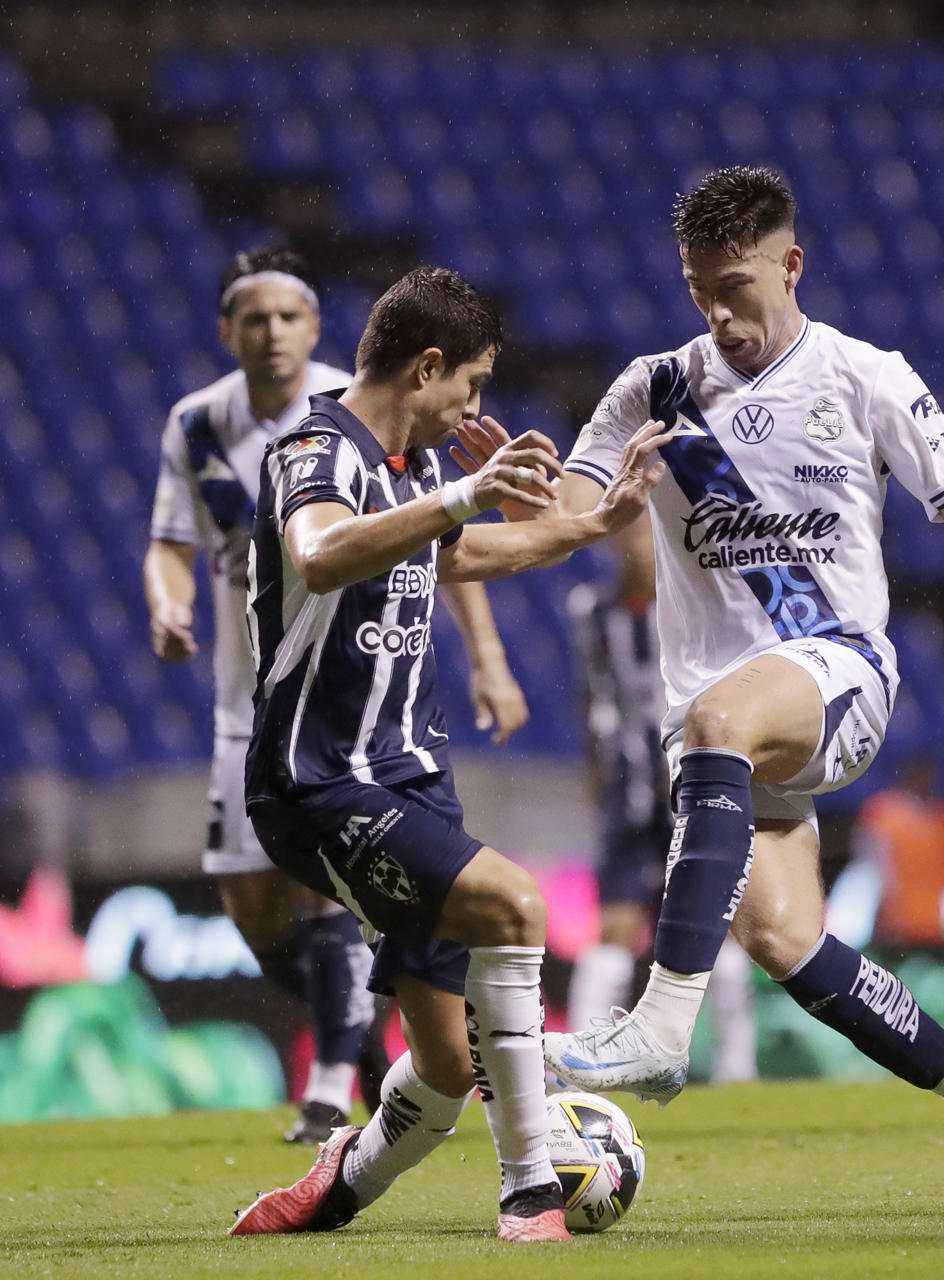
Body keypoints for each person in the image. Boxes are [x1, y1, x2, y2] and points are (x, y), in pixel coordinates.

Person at [519, 166, 944, 1217]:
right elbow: (560, 524)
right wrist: (466, 516)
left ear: (791, 264)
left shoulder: (867, 377)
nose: (719, 314)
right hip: (725, 729)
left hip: (839, 673)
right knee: (784, 940)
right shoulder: (652, 390)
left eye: (737, 285)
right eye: (699, 290)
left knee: (719, 718)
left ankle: (663, 1025)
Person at [226, 266, 667, 1242]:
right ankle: (530, 1191)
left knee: (442, 1066)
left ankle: (335, 1186)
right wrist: (468, 489)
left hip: (410, 776)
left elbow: (460, 553)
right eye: (468, 384)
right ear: (426, 366)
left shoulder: (419, 467)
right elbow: (319, 552)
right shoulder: (317, 446)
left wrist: (578, 525)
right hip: (320, 779)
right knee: (515, 903)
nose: (474, 407)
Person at [143, 246, 531, 1143]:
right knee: (254, 906)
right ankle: (367, 1059)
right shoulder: (199, 424)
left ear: (316, 328)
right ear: (227, 332)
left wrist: (490, 657)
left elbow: (444, 542)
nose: (273, 333)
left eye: (289, 316)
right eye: (255, 318)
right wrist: (167, 605)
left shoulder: (376, 406)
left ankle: (330, 1087)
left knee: (339, 888)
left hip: (347, 707)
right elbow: (173, 538)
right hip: (251, 690)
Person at [565, 520, 757, 1082]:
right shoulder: (592, 610)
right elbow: (591, 696)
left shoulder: (695, 607)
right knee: (614, 932)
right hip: (628, 794)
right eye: (624, 535)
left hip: (690, 785)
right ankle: (579, 1063)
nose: (632, 546)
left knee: (715, 925)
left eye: (645, 535)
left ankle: (738, 1068)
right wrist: (596, 771)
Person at [851, 756, 944, 947]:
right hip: (894, 925)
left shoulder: (943, 816)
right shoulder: (882, 813)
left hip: (937, 925)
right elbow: (871, 872)